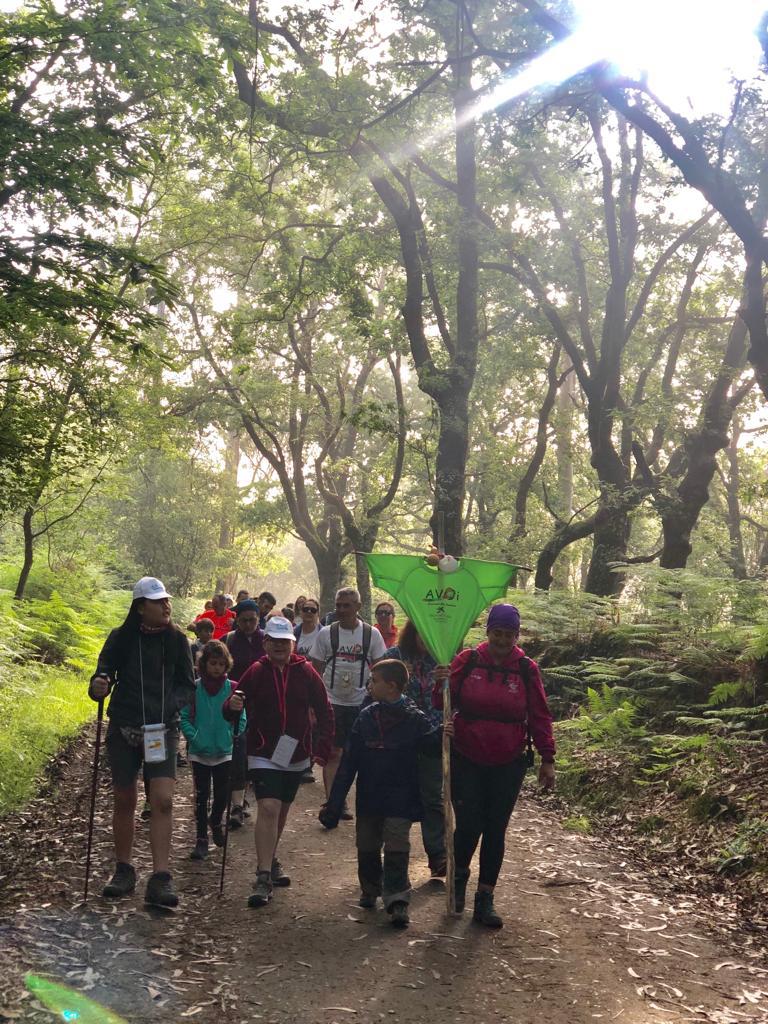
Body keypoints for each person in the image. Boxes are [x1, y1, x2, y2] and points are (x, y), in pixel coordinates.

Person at [437, 603, 556, 929]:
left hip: (509, 761)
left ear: (516, 636)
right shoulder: (468, 660)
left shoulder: (527, 669)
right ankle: (458, 880)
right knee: (469, 823)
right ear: (488, 632)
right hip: (467, 756)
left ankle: (485, 899)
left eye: (509, 634)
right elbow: (441, 702)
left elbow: (540, 715)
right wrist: (441, 683)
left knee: (495, 829)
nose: (502, 639)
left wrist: (547, 758)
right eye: (497, 633)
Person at [88, 577, 195, 907]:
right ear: (139, 608)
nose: (165, 605)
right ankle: (124, 870)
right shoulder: (121, 637)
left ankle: (161, 877)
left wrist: (167, 708)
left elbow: (187, 686)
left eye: (166, 600)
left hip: (162, 730)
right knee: (124, 797)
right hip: (124, 726)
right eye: (157, 601)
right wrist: (99, 683)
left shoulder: (177, 639)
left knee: (162, 799)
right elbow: (103, 670)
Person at [319, 659, 442, 929]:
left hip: (401, 796)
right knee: (367, 844)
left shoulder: (413, 718)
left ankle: (397, 898)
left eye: (374, 681)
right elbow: (349, 762)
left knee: (397, 844)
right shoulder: (366, 718)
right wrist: (334, 804)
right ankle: (370, 887)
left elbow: (431, 747)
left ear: (392, 686)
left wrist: (446, 733)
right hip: (370, 796)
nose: (369, 685)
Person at [225, 616, 334, 908]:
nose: (279, 647)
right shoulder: (257, 671)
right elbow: (232, 707)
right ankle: (262, 876)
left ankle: (270, 859)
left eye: (284, 642)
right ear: (266, 643)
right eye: (274, 641)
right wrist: (231, 705)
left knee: (282, 811)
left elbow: (324, 710)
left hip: (296, 753)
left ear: (293, 644)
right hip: (262, 751)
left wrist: (322, 748)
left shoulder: (307, 672)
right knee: (269, 807)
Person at [310, 588, 386, 813]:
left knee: (362, 754)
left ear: (358, 607)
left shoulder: (372, 635)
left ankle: (364, 802)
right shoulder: (326, 633)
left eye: (347, 606)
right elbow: (315, 669)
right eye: (338, 605)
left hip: (361, 703)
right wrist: (314, 705)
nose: (341, 610)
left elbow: (380, 667)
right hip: (332, 702)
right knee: (333, 752)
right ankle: (334, 804)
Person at [386, 619, 449, 877]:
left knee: (433, 797)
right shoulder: (395, 656)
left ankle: (438, 855)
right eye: (421, 632)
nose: (425, 638)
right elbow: (377, 689)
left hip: (432, 735)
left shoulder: (444, 659)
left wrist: (448, 680)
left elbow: (457, 696)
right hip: (400, 737)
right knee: (398, 797)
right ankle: (395, 860)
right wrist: (401, 675)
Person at [179, 640, 246, 861]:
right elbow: (185, 717)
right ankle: (201, 839)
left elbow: (242, 717)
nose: (216, 668)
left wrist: (233, 734)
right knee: (201, 796)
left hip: (224, 751)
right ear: (203, 664)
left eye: (220, 663)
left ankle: (216, 821)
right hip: (200, 752)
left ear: (226, 665)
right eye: (212, 663)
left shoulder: (233, 688)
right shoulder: (195, 687)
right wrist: (194, 737)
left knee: (222, 795)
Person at [223, 599, 265, 828]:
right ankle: (236, 804)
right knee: (237, 752)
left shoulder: (268, 641)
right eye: (244, 620)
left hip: (263, 706)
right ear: (236, 620)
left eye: (253, 620)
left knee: (257, 752)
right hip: (237, 705)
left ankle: (255, 798)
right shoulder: (229, 641)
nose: (249, 624)